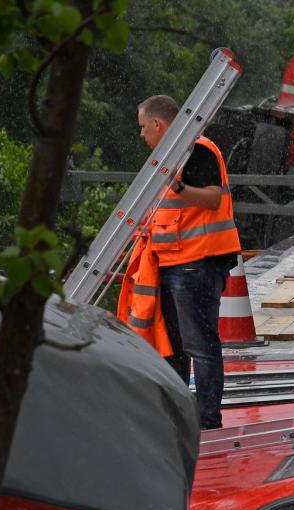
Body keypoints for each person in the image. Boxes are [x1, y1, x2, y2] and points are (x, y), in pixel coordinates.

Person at [120, 94, 240, 430]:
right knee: (175, 346)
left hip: (198, 263)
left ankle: (205, 419)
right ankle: (183, 415)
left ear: (158, 125)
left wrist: (180, 185)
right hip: (175, 262)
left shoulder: (195, 150)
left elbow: (213, 198)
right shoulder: (168, 158)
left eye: (144, 128)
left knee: (199, 345)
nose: (141, 135)